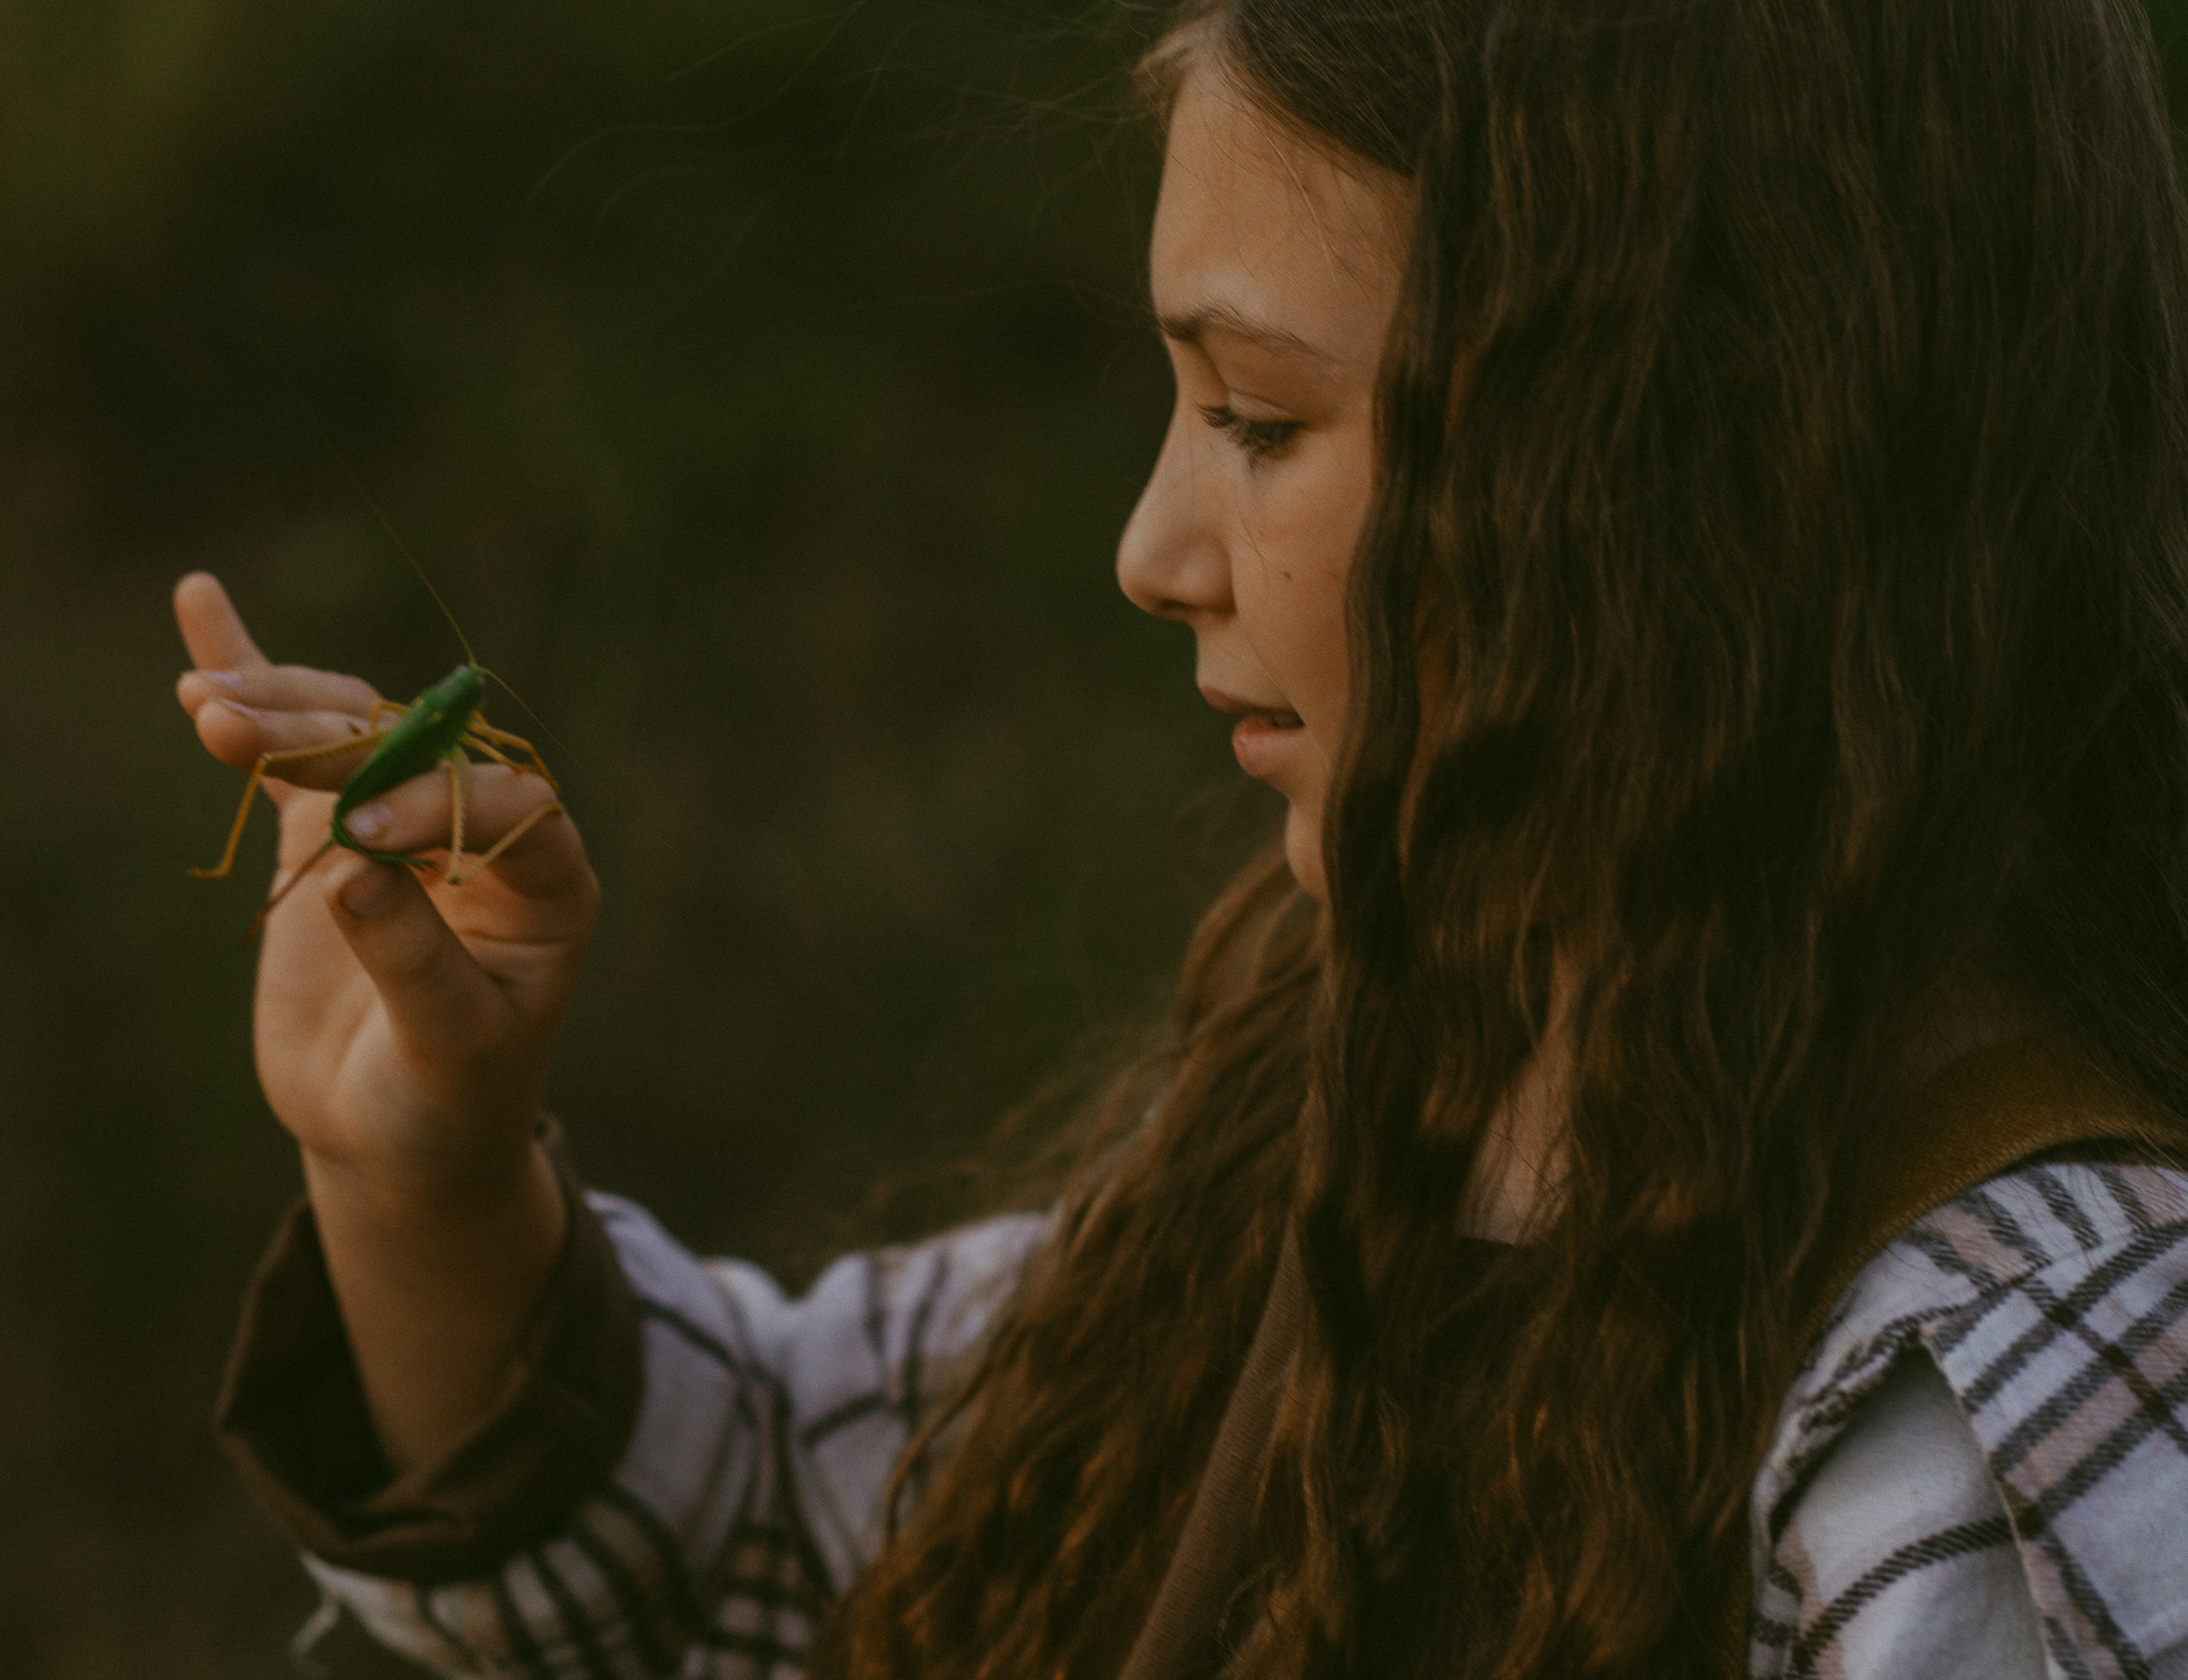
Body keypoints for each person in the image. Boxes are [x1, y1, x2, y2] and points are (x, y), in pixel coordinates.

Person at [172, 0, 2188, 1673]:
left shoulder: (2018, 1408)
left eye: (1255, 416)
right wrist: (415, 1174)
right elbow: (806, 1519)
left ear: (1700, 446)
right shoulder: (1357, 1093)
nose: (1145, 552)